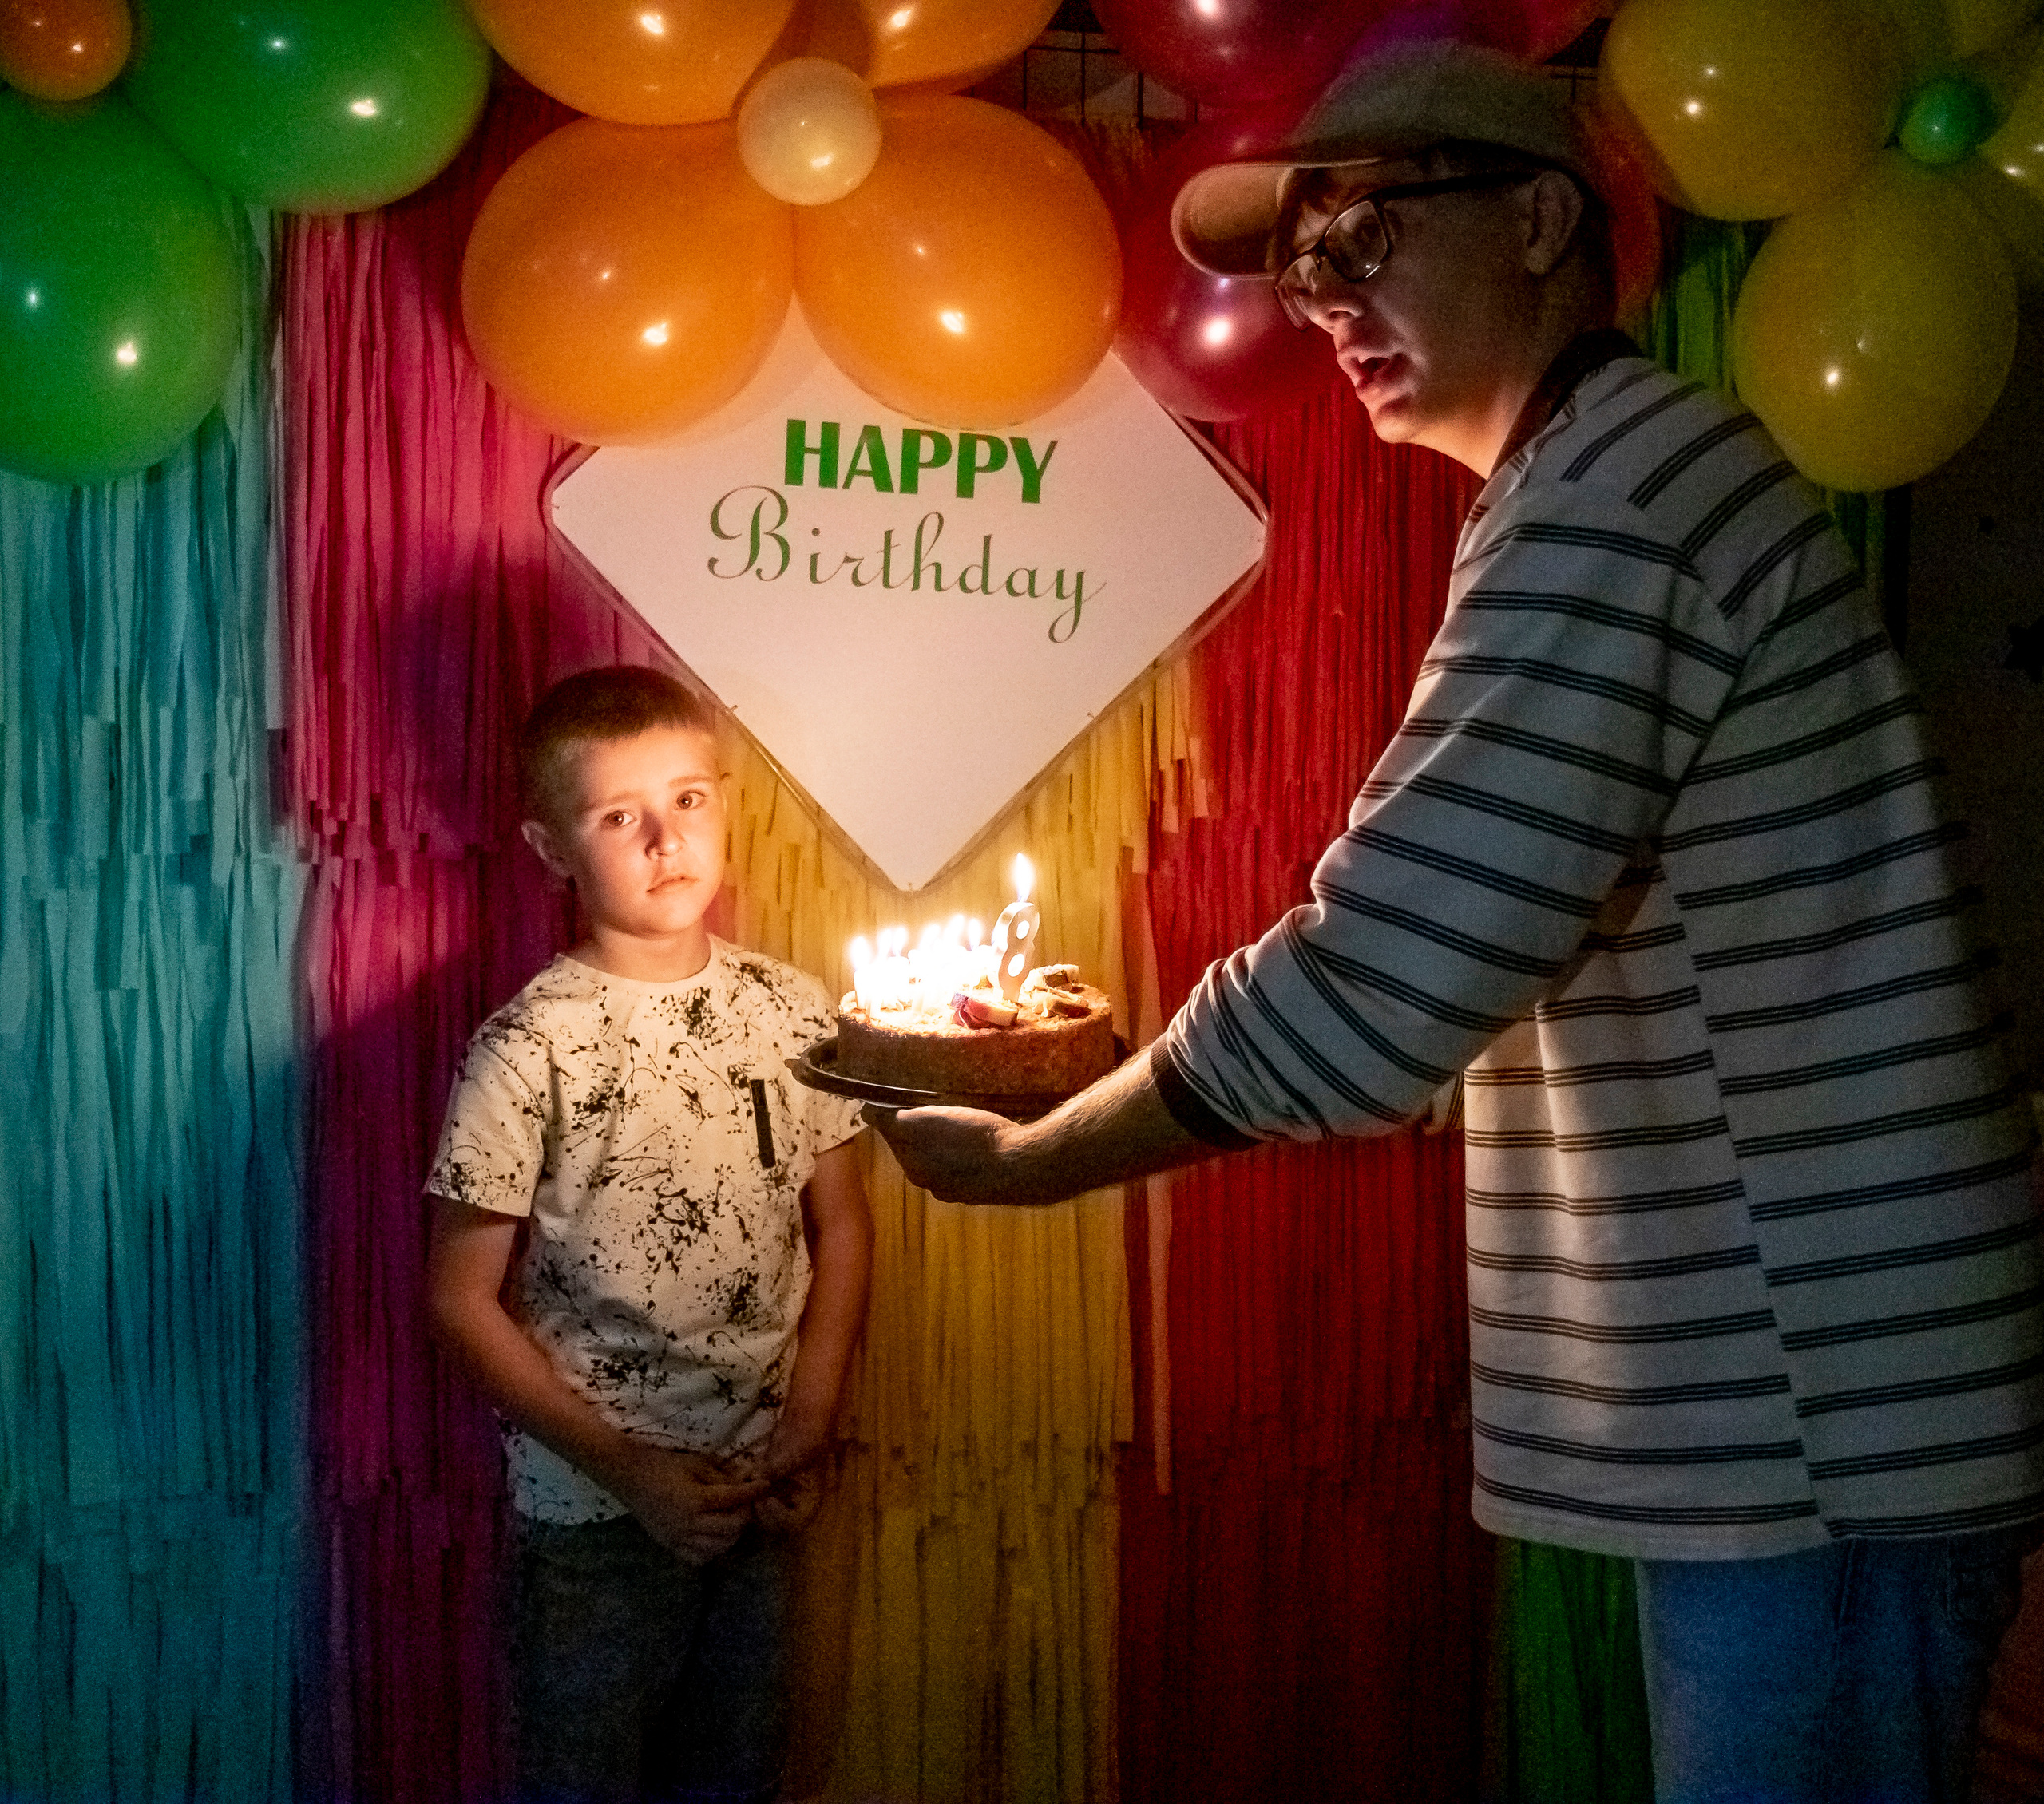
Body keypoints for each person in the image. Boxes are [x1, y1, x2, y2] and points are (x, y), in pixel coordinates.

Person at [872, 40, 2044, 1804]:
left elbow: (1391, 969)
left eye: (1360, 237)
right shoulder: (1592, 488)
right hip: (1792, 1413)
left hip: (1817, 1421)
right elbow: (1471, 945)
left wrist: (1043, 1151)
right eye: (1296, 264)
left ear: (1537, 220)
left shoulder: (1620, 498)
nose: (1319, 302)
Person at [425, 665, 871, 1804]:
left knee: (738, 1771)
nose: (666, 838)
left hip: (756, 1486)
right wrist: (635, 1474)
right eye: (621, 815)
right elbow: (460, 1298)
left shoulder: (793, 1009)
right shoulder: (529, 1045)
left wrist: (810, 1419)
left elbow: (844, 1223)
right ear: (551, 846)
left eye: (689, 799)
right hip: (596, 1511)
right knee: (587, 1777)